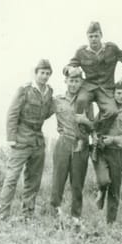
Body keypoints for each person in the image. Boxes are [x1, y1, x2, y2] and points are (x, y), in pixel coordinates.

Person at [65, 21, 122, 151]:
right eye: (91, 36)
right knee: (80, 101)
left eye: (96, 36)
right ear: (87, 37)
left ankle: (95, 133)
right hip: (89, 86)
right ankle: (81, 138)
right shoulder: (81, 52)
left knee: (112, 111)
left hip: (106, 88)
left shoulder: (111, 49)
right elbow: (68, 66)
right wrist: (69, 70)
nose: (93, 39)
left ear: (101, 35)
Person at [0, 59, 54, 220]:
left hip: (37, 140)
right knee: (12, 177)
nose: (44, 76)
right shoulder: (24, 90)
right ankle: (3, 215)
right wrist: (11, 138)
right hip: (21, 139)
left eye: (47, 73)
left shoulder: (49, 92)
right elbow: (12, 113)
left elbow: (47, 111)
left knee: (33, 179)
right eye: (42, 73)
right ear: (35, 73)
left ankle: (27, 215)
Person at [50, 67, 93, 226]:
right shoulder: (57, 100)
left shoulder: (86, 102)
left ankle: (76, 216)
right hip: (63, 142)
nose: (73, 84)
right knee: (58, 180)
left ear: (81, 82)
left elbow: (93, 125)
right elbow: (43, 112)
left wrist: (86, 121)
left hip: (80, 144)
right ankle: (55, 213)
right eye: (71, 81)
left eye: (76, 81)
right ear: (65, 81)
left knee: (77, 183)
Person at [93, 80, 122, 224]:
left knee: (115, 190)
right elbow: (95, 125)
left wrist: (114, 139)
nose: (121, 96)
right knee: (104, 180)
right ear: (114, 93)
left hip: (117, 153)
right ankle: (101, 190)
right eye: (119, 93)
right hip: (101, 150)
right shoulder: (105, 108)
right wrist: (96, 138)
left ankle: (110, 223)